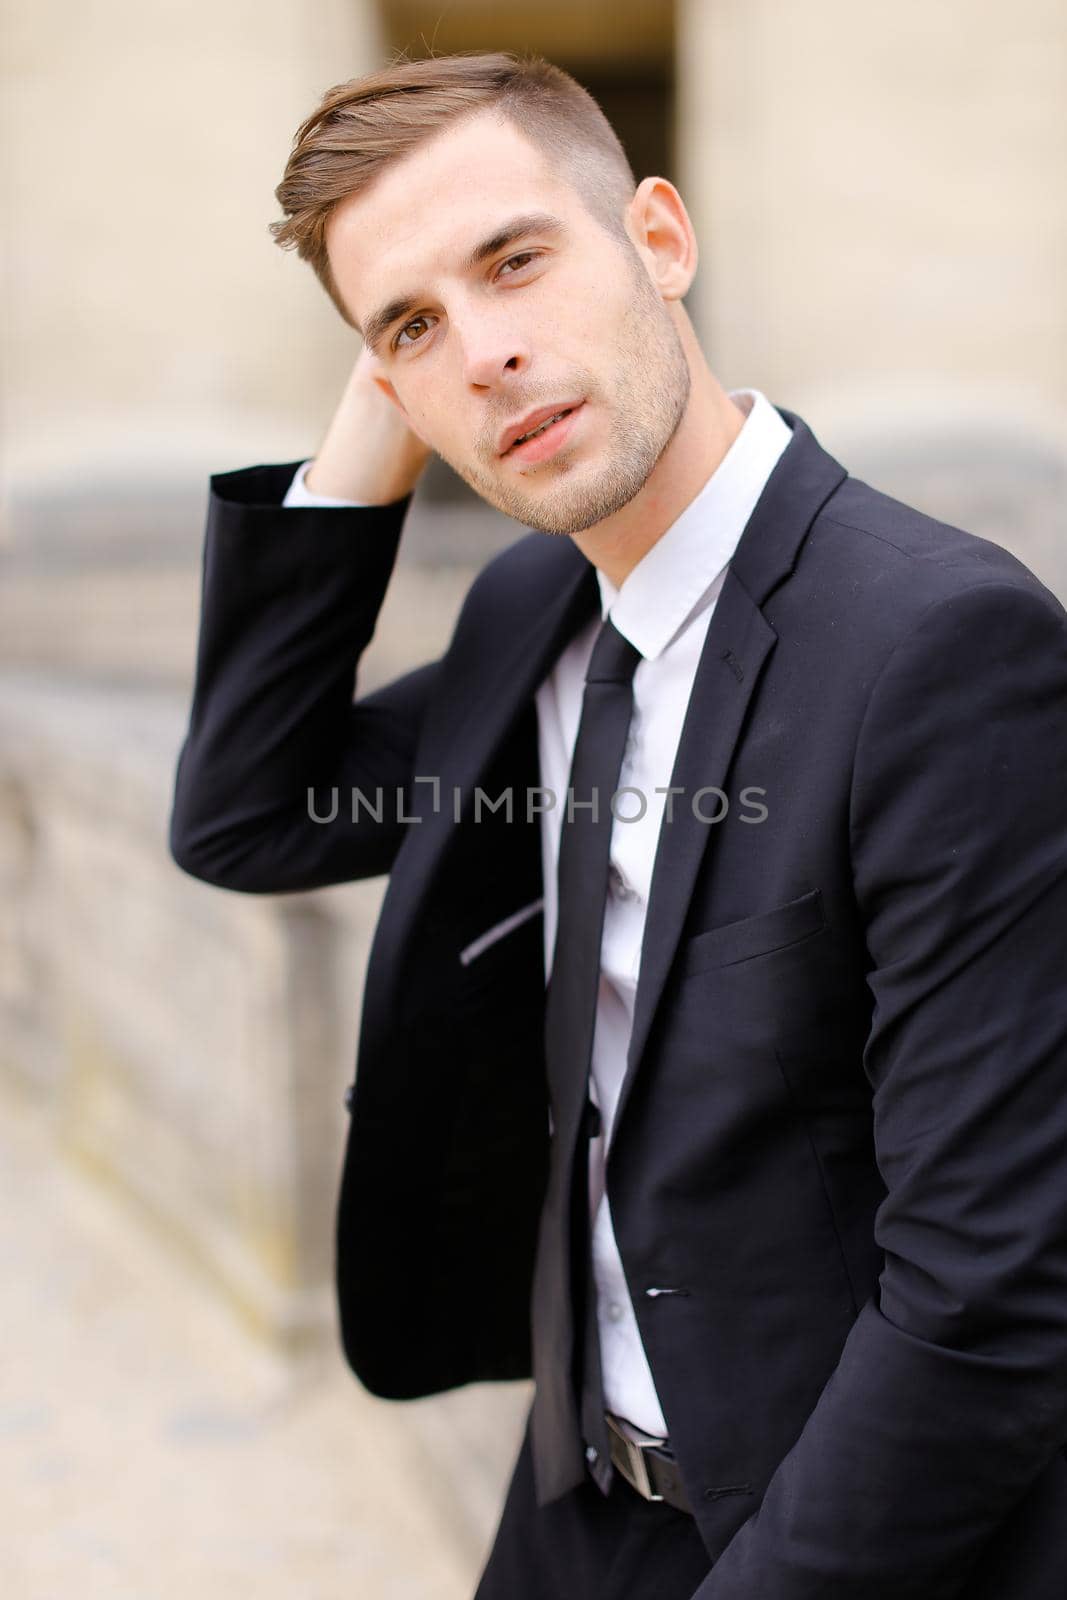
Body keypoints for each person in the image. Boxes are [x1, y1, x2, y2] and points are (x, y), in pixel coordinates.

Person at [168, 49, 1067, 1599]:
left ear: (659, 238)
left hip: (828, 1534)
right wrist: (367, 449)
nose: (488, 355)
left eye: (517, 261)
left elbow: (993, 1291)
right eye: (415, 328)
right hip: (574, 1496)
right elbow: (251, 812)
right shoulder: (540, 609)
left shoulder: (939, 648)